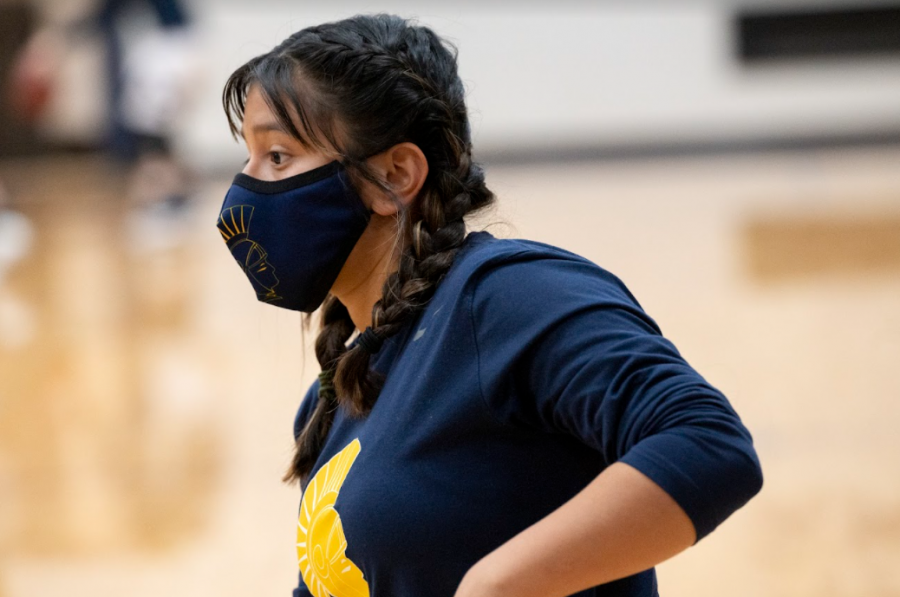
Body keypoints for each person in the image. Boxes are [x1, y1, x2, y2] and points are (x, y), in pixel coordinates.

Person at [216, 13, 763, 597]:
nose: (245, 190)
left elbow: (706, 441)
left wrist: (497, 585)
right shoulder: (334, 396)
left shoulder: (504, 296)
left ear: (394, 175)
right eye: (248, 157)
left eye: (277, 156)